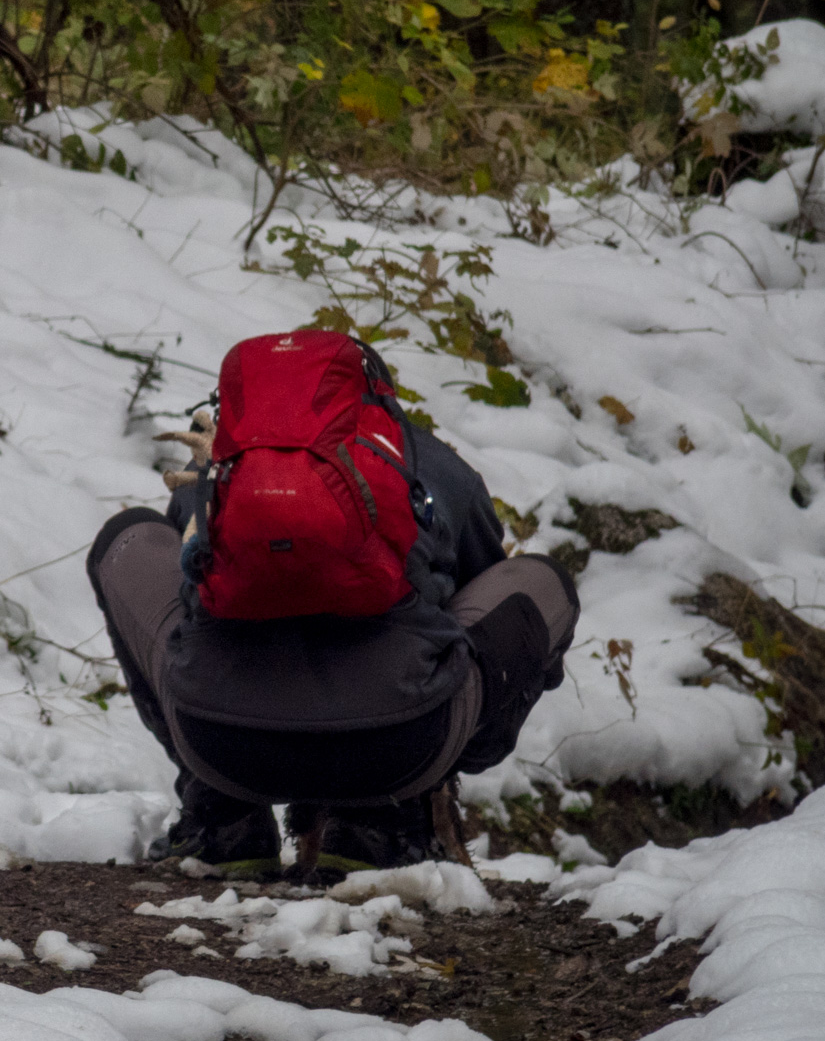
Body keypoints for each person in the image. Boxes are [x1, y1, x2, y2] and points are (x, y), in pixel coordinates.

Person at [86, 331, 578, 875]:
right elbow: (480, 582)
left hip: (220, 740)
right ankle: (384, 826)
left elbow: (191, 591)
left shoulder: (220, 470)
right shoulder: (429, 460)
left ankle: (221, 821)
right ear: (373, 395)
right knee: (539, 582)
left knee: (127, 537)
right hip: (402, 744)